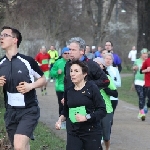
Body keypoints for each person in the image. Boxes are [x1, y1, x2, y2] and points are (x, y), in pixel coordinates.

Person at [0, 26, 46, 149]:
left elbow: (43, 79)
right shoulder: (0, 63)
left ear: (15, 40)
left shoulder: (27, 61)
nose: (1, 37)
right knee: (20, 146)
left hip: (28, 110)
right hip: (10, 111)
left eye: (5, 35)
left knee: (19, 145)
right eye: (1, 35)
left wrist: (31, 85)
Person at [55, 60, 106, 150]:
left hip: (91, 131)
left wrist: (86, 117)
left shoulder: (92, 88)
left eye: (76, 71)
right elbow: (66, 111)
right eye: (71, 71)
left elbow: (102, 110)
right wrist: (60, 120)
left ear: (84, 74)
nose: (72, 74)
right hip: (73, 131)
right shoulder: (69, 90)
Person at [93, 57, 118, 150]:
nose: (96, 66)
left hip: (106, 110)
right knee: (95, 134)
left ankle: (107, 148)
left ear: (103, 66)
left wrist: (105, 88)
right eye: (94, 64)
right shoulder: (88, 79)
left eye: (98, 64)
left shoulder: (107, 78)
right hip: (93, 110)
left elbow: (115, 93)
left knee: (106, 135)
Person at [50, 47, 70, 116]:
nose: (67, 55)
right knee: (62, 105)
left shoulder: (72, 62)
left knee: (70, 104)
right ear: (62, 54)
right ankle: (61, 121)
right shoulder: (58, 62)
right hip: (60, 87)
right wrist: (56, 72)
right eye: (65, 53)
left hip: (70, 87)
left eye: (68, 53)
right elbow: (51, 73)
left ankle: (69, 121)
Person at [133, 48, 148, 121]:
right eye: (144, 53)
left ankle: (140, 111)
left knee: (144, 97)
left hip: (146, 81)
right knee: (141, 96)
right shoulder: (137, 61)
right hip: (138, 81)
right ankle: (142, 112)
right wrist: (135, 68)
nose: (145, 55)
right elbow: (134, 68)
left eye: (146, 53)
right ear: (141, 54)